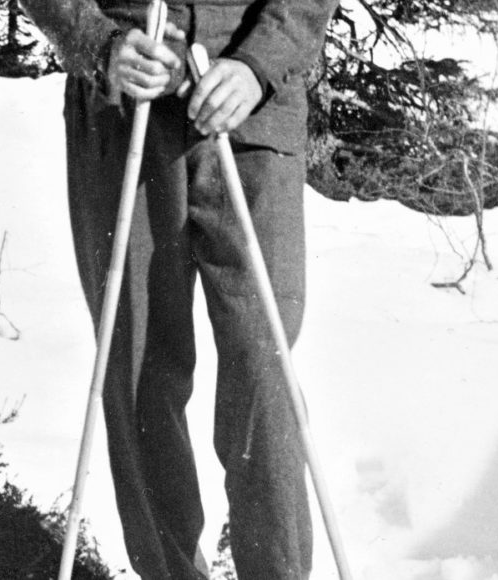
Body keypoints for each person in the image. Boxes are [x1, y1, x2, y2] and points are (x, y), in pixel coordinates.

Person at [21, 1, 339, 578]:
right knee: (140, 367)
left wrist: (256, 63)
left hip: (252, 116)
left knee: (262, 367)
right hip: (124, 112)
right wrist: (100, 45)